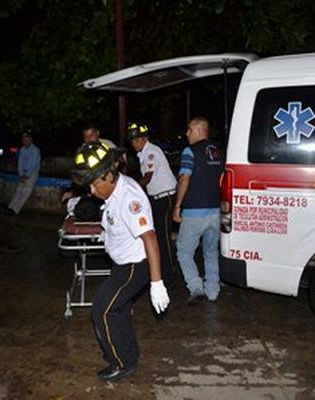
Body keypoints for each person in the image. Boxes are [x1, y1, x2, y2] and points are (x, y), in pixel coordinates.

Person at [72, 141, 170, 381]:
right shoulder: (115, 190)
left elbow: (149, 237)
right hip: (124, 263)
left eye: (95, 184)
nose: (92, 191)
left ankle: (120, 362)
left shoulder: (129, 197)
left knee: (102, 310)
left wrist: (156, 283)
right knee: (119, 310)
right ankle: (128, 354)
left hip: (136, 265)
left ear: (108, 176)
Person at [172, 117, 223, 303]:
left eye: (189, 130)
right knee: (210, 252)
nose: (186, 134)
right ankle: (213, 291)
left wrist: (177, 205)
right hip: (215, 211)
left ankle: (195, 287)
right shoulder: (217, 152)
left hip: (194, 212)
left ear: (199, 130)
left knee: (184, 252)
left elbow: (185, 177)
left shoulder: (189, 151)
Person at [126, 122, 177, 289]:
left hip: (165, 198)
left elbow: (147, 178)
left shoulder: (151, 152)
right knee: (157, 237)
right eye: (132, 141)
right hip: (157, 198)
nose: (133, 144)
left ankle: (169, 277)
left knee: (163, 238)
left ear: (143, 139)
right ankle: (162, 273)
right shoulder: (143, 153)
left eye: (135, 140)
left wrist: (130, 187)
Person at [7, 131, 41, 215]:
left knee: (25, 192)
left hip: (32, 173)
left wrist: (26, 175)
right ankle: (10, 207)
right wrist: (21, 174)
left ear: (31, 139)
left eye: (27, 139)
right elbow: (20, 162)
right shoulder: (22, 149)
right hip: (23, 173)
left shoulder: (35, 150)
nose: (25, 141)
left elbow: (33, 165)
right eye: (24, 139)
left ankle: (15, 210)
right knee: (18, 191)